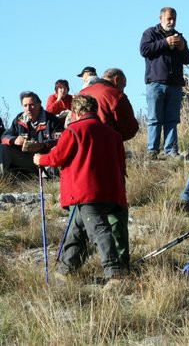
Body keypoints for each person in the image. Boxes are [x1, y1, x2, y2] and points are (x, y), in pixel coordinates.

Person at [34, 95, 128, 281]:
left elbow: (57, 158)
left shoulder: (74, 130)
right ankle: (65, 271)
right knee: (76, 231)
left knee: (99, 231)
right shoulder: (113, 134)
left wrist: (40, 159)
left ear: (75, 112)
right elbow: (121, 164)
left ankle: (114, 273)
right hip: (111, 191)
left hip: (86, 192)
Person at [140, 6, 189, 157]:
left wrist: (182, 48)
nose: (172, 21)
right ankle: (152, 151)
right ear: (160, 18)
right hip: (155, 83)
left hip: (175, 85)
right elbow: (144, 50)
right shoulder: (150, 33)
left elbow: (188, 59)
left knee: (172, 119)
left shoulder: (179, 36)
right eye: (169, 18)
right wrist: (165, 42)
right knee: (155, 118)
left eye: (174, 19)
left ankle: (171, 151)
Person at [0, 91, 63, 175]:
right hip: (26, 159)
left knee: (55, 149)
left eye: (31, 105)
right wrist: (14, 140)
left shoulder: (52, 120)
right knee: (3, 148)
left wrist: (43, 145)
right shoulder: (19, 119)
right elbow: (4, 136)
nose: (28, 109)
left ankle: (51, 179)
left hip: (45, 160)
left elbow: (61, 141)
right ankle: (3, 182)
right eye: (25, 106)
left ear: (39, 104)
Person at [79, 68, 139, 141]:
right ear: (116, 79)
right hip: (107, 144)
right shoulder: (117, 95)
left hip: (82, 143)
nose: (123, 90)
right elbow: (130, 127)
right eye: (123, 85)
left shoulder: (81, 93)